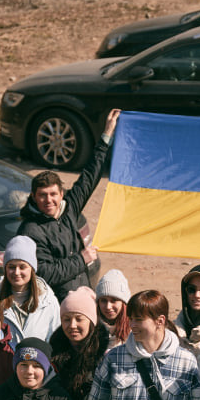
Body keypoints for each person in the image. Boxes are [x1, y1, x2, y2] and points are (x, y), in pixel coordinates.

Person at [19, 110, 117, 299]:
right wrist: (82, 259)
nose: (49, 200)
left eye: (53, 194)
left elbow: (89, 177)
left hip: (84, 293)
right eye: (42, 195)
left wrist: (107, 135)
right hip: (58, 306)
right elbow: (46, 273)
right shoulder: (30, 230)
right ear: (33, 196)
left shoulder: (69, 207)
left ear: (61, 194)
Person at [0, 236, 59, 345]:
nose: (16, 272)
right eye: (11, 267)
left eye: (22, 267)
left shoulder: (48, 301)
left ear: (32, 269)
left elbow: (55, 341)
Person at [94, 269, 132, 345]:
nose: (108, 306)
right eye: (103, 300)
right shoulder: (90, 328)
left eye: (114, 300)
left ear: (123, 303)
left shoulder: (135, 330)